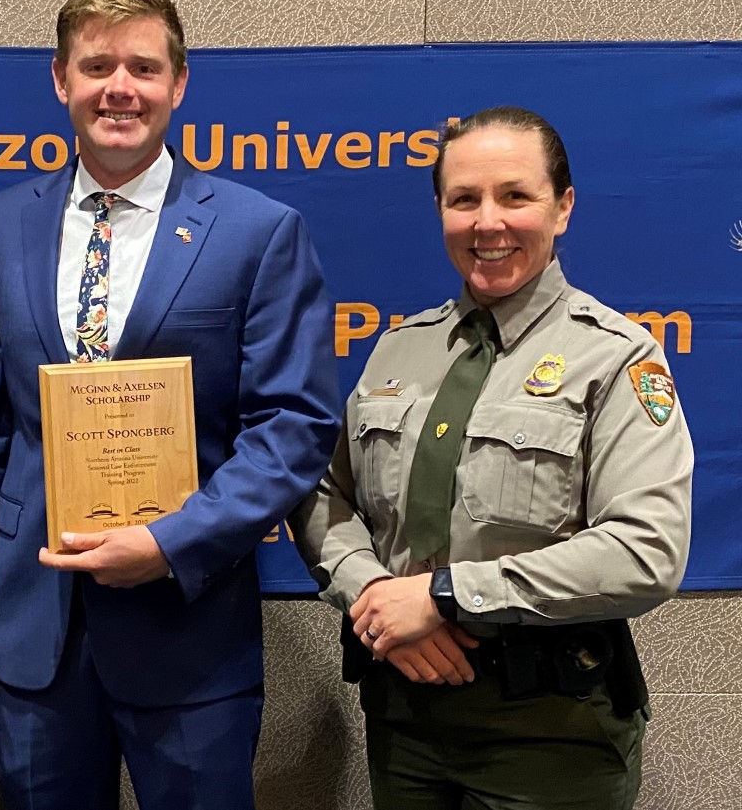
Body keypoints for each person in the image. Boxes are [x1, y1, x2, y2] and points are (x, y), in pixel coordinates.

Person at [0, 0, 340, 810]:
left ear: (178, 85)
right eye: (98, 65)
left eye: (144, 68)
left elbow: (291, 428)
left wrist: (171, 542)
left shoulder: (258, 230)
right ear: (60, 79)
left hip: (189, 629)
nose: (121, 88)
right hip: (31, 627)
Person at [291, 105, 692, 810]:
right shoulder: (398, 349)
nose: (488, 223)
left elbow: (646, 551)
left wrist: (446, 595)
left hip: (550, 736)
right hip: (404, 722)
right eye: (464, 199)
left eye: (516, 195)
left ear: (563, 207)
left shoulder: (618, 355)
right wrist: (376, 600)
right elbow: (322, 493)